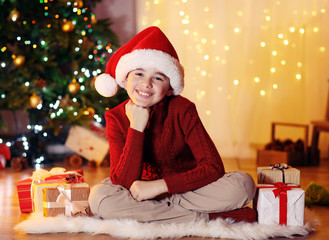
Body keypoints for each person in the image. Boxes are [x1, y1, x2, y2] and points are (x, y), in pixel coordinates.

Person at [89, 26, 256, 224]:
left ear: (169, 88)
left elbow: (213, 167)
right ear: (125, 79)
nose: (146, 84)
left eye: (158, 77)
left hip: (188, 189)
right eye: (139, 74)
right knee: (100, 199)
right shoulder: (115, 117)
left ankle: (159, 213)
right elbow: (122, 182)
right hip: (138, 193)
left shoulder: (183, 109)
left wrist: (161, 187)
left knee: (243, 184)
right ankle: (207, 217)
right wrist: (136, 128)